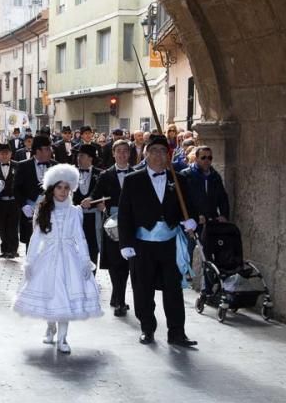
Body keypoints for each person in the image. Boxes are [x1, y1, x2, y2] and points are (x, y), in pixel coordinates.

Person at [117, 134, 199, 347]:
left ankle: (177, 332)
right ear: (145, 154)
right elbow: (125, 214)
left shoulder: (178, 179)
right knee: (143, 288)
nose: (158, 155)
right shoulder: (133, 180)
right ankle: (147, 328)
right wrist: (125, 243)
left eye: (163, 151)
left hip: (170, 243)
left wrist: (190, 220)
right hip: (142, 244)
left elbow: (188, 206)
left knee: (173, 289)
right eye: (153, 151)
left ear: (168, 155)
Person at [14, 164, 103, 353]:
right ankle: (50, 326)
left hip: (69, 258)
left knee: (66, 296)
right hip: (48, 257)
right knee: (51, 293)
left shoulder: (75, 211)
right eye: (59, 187)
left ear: (71, 189)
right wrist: (29, 261)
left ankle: (63, 338)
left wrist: (86, 260)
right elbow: (36, 237)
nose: (63, 191)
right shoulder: (43, 209)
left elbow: (80, 237)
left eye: (66, 188)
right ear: (52, 188)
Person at [93, 139, 133, 316]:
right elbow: (96, 197)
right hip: (112, 224)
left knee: (127, 262)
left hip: (133, 224)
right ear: (113, 153)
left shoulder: (137, 173)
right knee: (115, 262)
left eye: (125, 151)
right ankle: (119, 299)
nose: (122, 154)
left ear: (129, 154)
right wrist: (99, 205)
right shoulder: (105, 175)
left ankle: (118, 296)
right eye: (119, 151)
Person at [15, 135, 56, 248]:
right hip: (31, 211)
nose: (50, 151)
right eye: (47, 149)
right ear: (38, 151)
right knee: (32, 244)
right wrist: (23, 205)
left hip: (52, 212)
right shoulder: (23, 166)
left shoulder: (56, 166)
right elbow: (16, 189)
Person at [180, 145, 230, 225]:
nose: (207, 160)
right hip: (193, 222)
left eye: (209, 158)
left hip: (212, 221)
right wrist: (193, 217)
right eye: (203, 158)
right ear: (196, 159)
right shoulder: (185, 175)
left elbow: (222, 197)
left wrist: (224, 215)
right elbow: (180, 200)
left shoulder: (215, 176)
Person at [73, 144, 102, 269]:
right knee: (75, 247)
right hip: (75, 217)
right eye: (78, 156)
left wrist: (102, 204)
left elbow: (105, 194)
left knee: (92, 247)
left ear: (90, 158)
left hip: (93, 218)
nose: (78, 158)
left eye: (82, 156)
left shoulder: (101, 174)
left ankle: (92, 276)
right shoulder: (71, 172)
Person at [0, 143, 20, 259]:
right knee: (2, 226)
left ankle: (13, 249)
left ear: (10, 154)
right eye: (1, 153)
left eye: (6, 153)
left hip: (14, 201)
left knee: (13, 226)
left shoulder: (18, 166)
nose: (4, 155)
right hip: (0, 202)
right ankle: (4, 249)